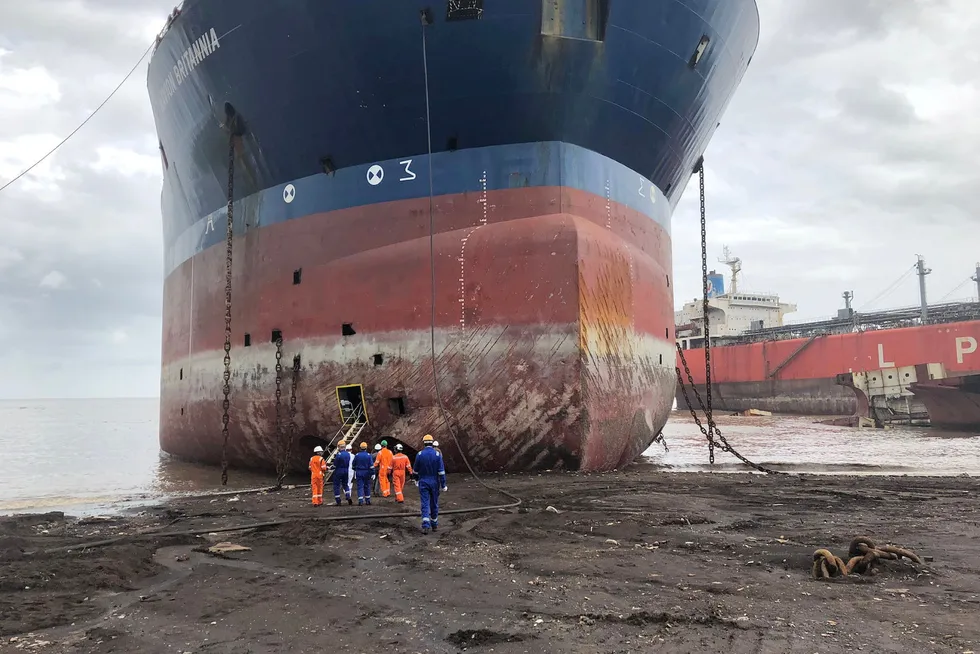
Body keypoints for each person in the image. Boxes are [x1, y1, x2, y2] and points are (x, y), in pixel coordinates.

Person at [412, 434, 447, 533]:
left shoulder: (419, 455)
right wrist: (443, 484)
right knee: (434, 503)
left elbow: (415, 470)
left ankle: (426, 525)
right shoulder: (437, 455)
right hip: (434, 482)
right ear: (432, 443)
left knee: (425, 503)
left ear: (423, 443)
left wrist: (416, 479)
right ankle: (434, 524)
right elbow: (441, 472)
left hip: (423, 481)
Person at [331, 440, 353, 506]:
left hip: (338, 471)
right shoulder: (348, 454)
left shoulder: (339, 455)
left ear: (338, 447)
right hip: (346, 471)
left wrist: (330, 467)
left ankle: (338, 501)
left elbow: (335, 465)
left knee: (336, 486)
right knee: (345, 485)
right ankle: (348, 496)